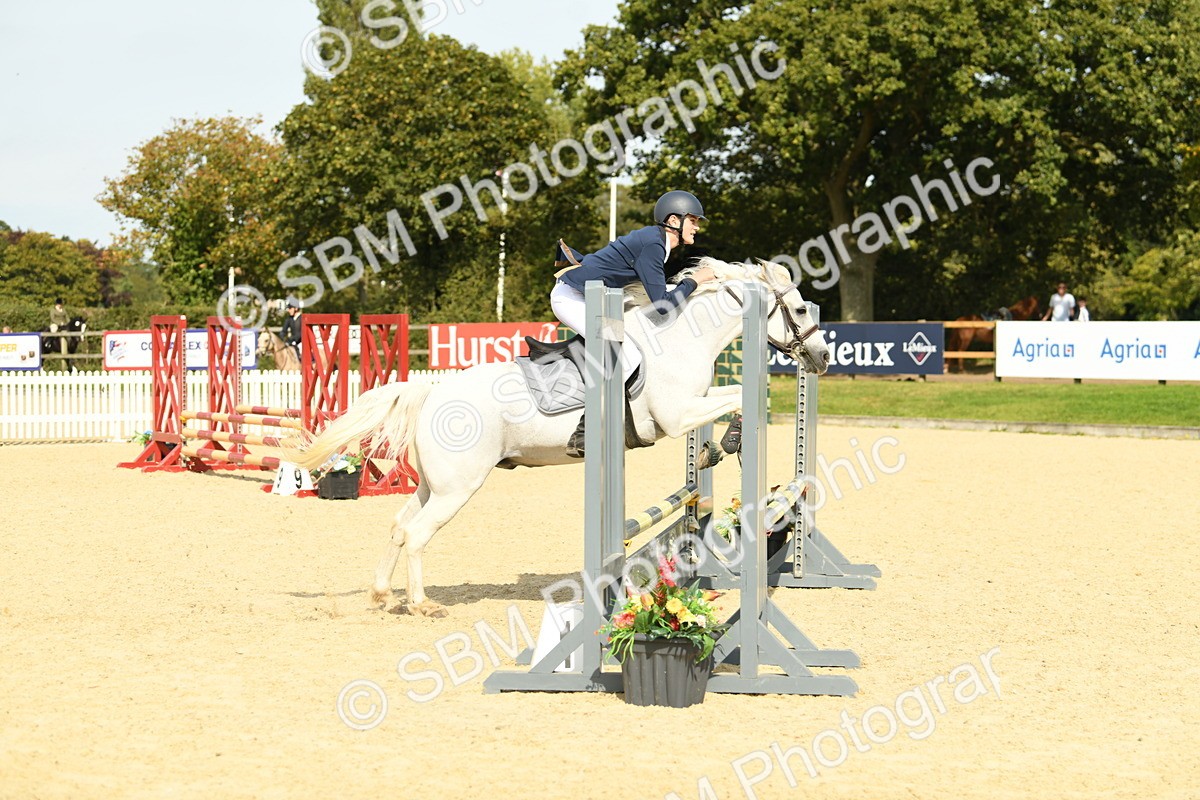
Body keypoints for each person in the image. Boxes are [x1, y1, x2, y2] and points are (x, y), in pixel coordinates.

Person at [551, 190, 718, 457]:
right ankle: (584, 433)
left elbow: (656, 295)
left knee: (628, 348)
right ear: (674, 220)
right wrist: (694, 281)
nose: (697, 227)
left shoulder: (655, 242)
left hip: (592, 297)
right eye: (694, 220)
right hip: (573, 299)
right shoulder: (653, 245)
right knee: (625, 355)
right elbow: (662, 306)